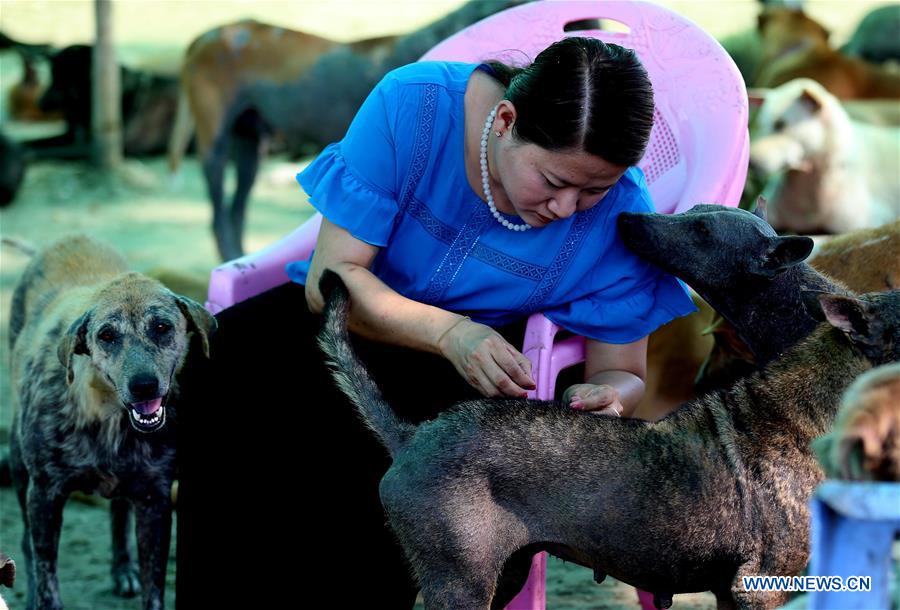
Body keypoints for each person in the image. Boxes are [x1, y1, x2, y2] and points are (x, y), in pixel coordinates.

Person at [176, 37, 696, 607]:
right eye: (551, 182)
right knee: (219, 370)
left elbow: (625, 372)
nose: (566, 208)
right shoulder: (413, 105)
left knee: (392, 468)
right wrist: (449, 331)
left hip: (475, 368)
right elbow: (334, 279)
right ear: (504, 120)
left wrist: (610, 396)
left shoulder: (622, 215)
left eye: (592, 190)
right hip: (347, 318)